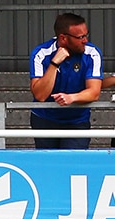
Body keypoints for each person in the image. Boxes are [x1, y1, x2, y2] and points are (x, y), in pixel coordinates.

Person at [29, 12, 103, 149]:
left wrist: (71, 98)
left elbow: (94, 92)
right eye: (80, 37)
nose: (85, 40)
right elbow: (40, 95)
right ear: (63, 38)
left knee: (74, 166)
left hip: (77, 121)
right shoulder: (40, 53)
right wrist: (54, 63)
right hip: (44, 119)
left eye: (86, 35)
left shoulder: (92, 53)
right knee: (49, 167)